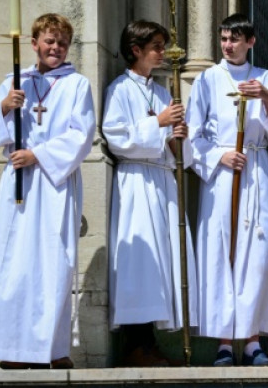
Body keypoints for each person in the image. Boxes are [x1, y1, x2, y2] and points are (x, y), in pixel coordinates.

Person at [0, 13, 96, 369]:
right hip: (18, 183)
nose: (56, 48)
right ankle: (15, 348)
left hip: (54, 183)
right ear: (34, 43)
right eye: (49, 41)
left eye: (62, 42)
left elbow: (81, 134)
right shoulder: (14, 82)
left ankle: (51, 349)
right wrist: (5, 108)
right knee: (14, 264)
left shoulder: (77, 85)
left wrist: (37, 154)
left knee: (54, 263)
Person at [186, 13, 268, 366]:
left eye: (235, 39)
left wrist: (266, 99)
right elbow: (192, 135)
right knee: (221, 252)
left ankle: (251, 340)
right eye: (224, 39)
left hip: (256, 169)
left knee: (256, 254)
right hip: (221, 176)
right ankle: (223, 342)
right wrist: (219, 155)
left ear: (251, 42)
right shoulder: (206, 80)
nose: (228, 45)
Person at [103, 20, 198, 367]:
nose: (162, 53)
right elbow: (117, 138)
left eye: (163, 45)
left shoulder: (162, 92)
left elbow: (180, 155)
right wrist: (157, 123)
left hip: (162, 182)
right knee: (139, 264)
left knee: (161, 265)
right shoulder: (119, 89)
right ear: (135, 50)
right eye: (156, 46)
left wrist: (178, 137)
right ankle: (136, 343)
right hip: (136, 183)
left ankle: (150, 341)